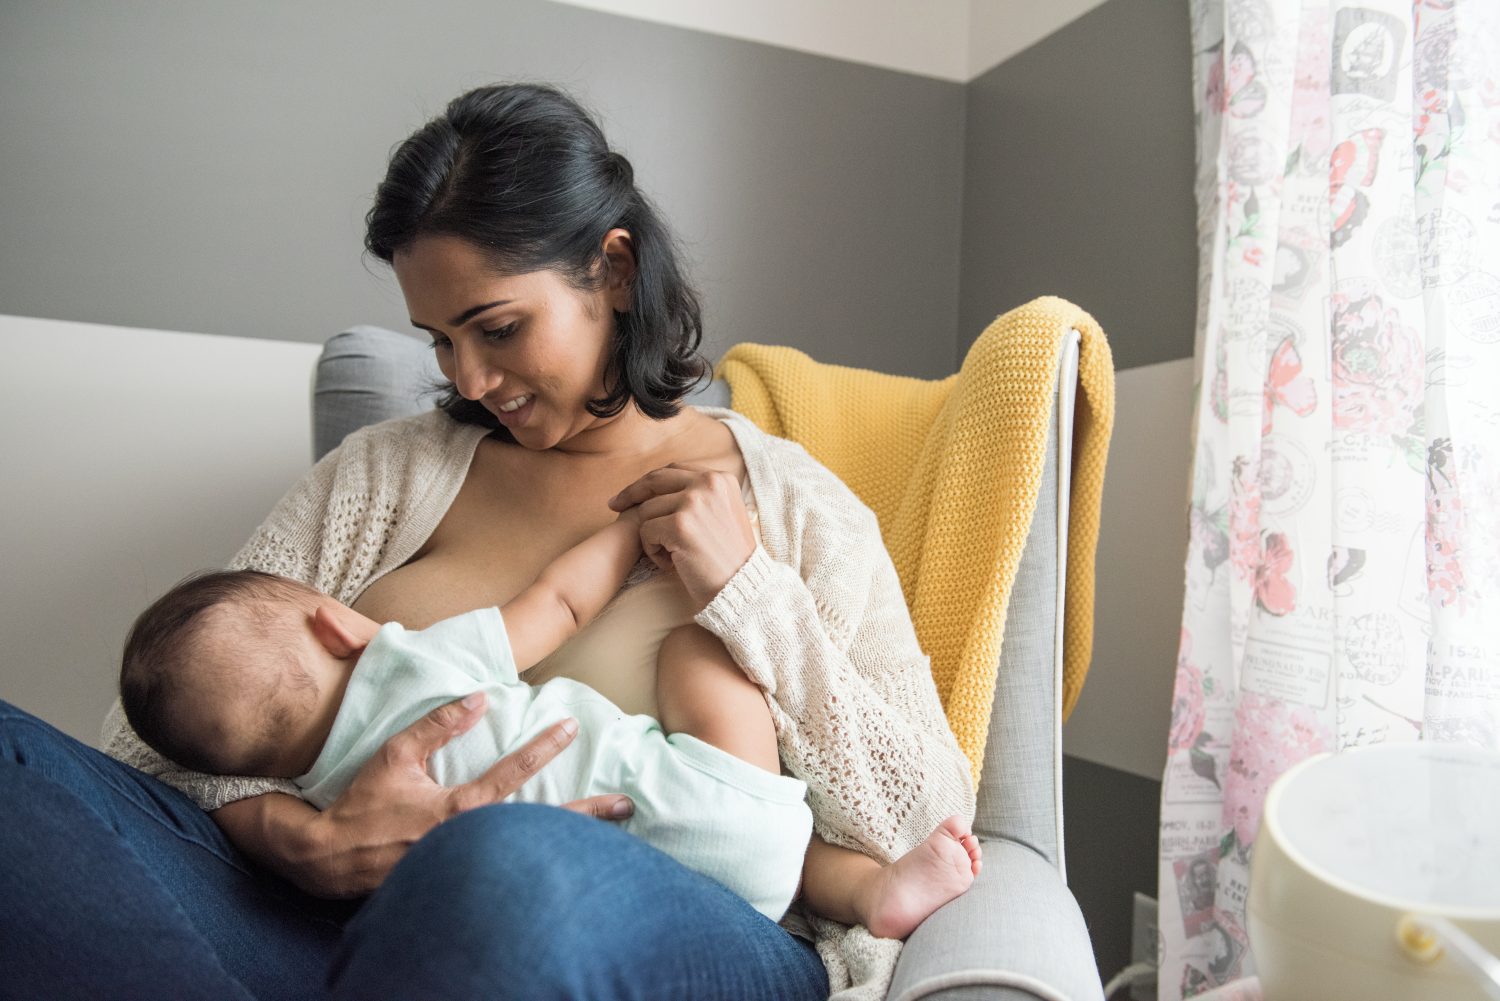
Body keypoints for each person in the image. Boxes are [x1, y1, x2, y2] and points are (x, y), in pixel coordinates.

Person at [0, 82, 976, 999]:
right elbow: (153, 741)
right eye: (439, 339)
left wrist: (753, 595)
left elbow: (921, 813)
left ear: (616, 271)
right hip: (314, 922)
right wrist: (303, 839)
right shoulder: (383, 474)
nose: (466, 378)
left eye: (497, 328)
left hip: (662, 922)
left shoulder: (794, 507)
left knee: (499, 856)